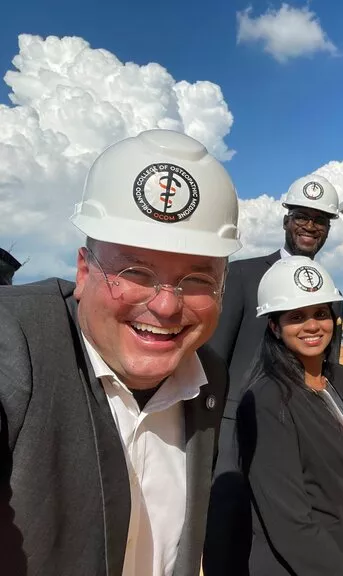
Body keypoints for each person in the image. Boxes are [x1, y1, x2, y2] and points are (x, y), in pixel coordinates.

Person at [0, 129, 239, 575]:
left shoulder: (208, 377)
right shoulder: (13, 337)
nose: (166, 305)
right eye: (135, 270)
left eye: (198, 279)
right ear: (84, 270)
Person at [204, 173, 343, 572]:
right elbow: (214, 358)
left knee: (293, 525)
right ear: (286, 220)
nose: (310, 226)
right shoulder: (244, 277)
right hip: (237, 430)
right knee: (229, 533)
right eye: (302, 216)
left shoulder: (330, 294)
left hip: (303, 428)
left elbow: (327, 371)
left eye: (320, 220)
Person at [235, 256, 343, 575]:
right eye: (297, 316)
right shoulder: (267, 400)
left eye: (320, 313)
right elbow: (289, 522)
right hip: (316, 565)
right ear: (274, 327)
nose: (312, 325)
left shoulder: (340, 379)